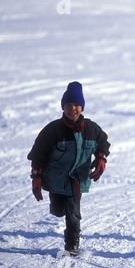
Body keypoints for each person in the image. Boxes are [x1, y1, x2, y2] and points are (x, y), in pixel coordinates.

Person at [27, 81, 110, 256]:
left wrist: (101, 159)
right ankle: (57, 207)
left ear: (82, 107)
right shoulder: (53, 130)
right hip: (56, 179)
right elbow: (38, 154)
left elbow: (103, 143)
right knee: (59, 211)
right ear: (63, 107)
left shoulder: (91, 129)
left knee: (73, 213)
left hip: (77, 179)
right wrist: (36, 177)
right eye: (69, 105)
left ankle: (72, 247)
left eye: (77, 105)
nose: (73, 109)